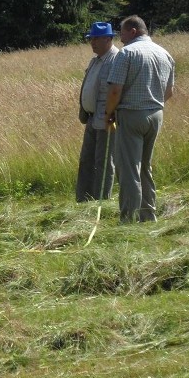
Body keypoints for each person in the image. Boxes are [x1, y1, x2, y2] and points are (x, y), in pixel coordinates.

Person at [105, 15, 175, 223]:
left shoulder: (127, 53)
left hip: (131, 114)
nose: (120, 37)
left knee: (128, 168)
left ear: (133, 31)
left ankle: (128, 217)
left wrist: (109, 113)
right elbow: (169, 91)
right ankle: (148, 214)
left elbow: (115, 90)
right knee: (145, 166)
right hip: (156, 114)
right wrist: (152, 102)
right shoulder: (165, 53)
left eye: (122, 32)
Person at [76, 22, 119, 202]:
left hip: (107, 119)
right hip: (92, 118)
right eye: (90, 39)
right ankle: (84, 200)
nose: (92, 42)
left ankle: (101, 200)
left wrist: (110, 114)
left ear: (108, 39)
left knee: (103, 162)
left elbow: (116, 91)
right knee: (87, 160)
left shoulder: (116, 59)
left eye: (96, 38)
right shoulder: (95, 60)